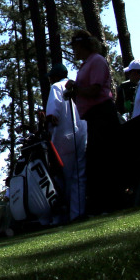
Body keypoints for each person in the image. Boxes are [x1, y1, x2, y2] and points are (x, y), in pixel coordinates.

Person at [65, 29, 122, 215]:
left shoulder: (96, 60)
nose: (74, 51)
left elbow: (95, 89)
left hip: (103, 113)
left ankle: (112, 202)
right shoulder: (85, 65)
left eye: (75, 46)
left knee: (104, 158)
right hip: (93, 116)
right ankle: (104, 203)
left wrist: (76, 88)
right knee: (97, 159)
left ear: (83, 45)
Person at [44, 62, 87, 221]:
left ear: (55, 77)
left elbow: (52, 115)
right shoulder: (74, 86)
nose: (50, 80)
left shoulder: (56, 87)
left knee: (65, 178)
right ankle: (78, 212)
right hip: (81, 134)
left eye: (51, 77)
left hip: (64, 138)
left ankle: (68, 214)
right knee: (80, 177)